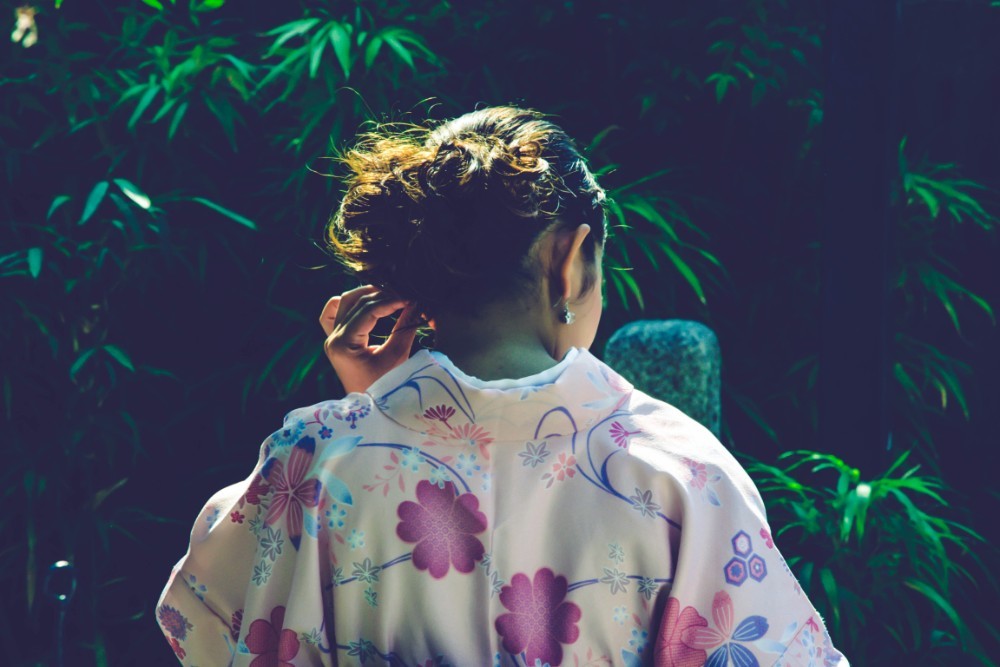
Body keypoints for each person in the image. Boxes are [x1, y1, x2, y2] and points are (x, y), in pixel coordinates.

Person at [156, 106, 848, 666]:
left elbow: (209, 620)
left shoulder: (314, 458)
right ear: (571, 261)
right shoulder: (680, 471)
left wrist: (377, 417)